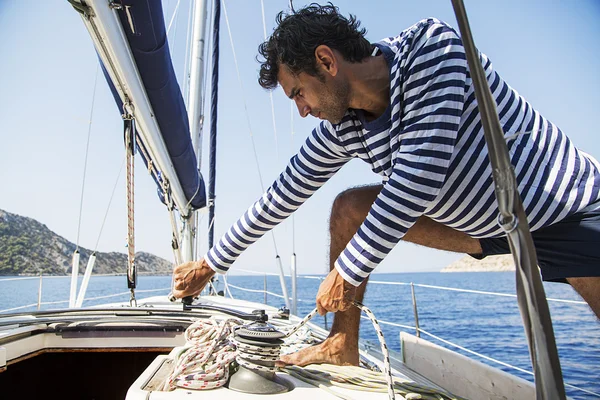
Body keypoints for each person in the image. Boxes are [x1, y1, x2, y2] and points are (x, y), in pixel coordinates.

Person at [173, 3, 600, 367]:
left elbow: (417, 181)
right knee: (348, 208)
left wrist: (347, 269)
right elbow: (282, 194)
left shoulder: (432, 50)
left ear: (326, 61)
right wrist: (210, 264)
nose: (302, 110)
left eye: (299, 93)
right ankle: (342, 344)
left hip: (563, 210)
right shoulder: (345, 125)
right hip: (480, 229)